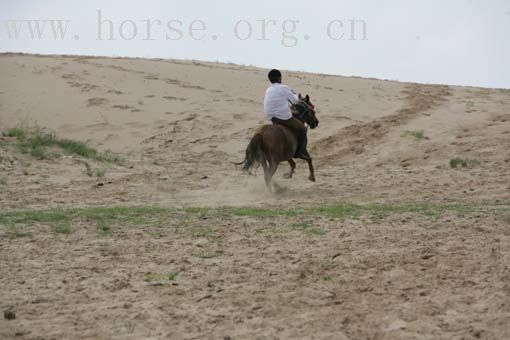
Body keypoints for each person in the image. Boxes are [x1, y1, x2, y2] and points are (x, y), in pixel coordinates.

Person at [263, 69, 308, 158]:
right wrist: (295, 95)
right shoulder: (284, 88)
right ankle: (300, 152)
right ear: (280, 78)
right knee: (302, 129)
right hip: (283, 117)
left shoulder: (268, 90)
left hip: (271, 117)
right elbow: (295, 101)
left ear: (270, 79)